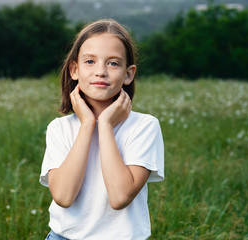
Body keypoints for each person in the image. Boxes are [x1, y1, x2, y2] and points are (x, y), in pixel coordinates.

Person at [39, 19, 164, 240]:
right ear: (74, 70)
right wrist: (88, 124)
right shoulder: (59, 128)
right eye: (90, 61)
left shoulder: (144, 126)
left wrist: (105, 125)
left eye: (113, 63)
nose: (101, 72)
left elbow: (119, 197)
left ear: (128, 74)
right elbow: (64, 196)